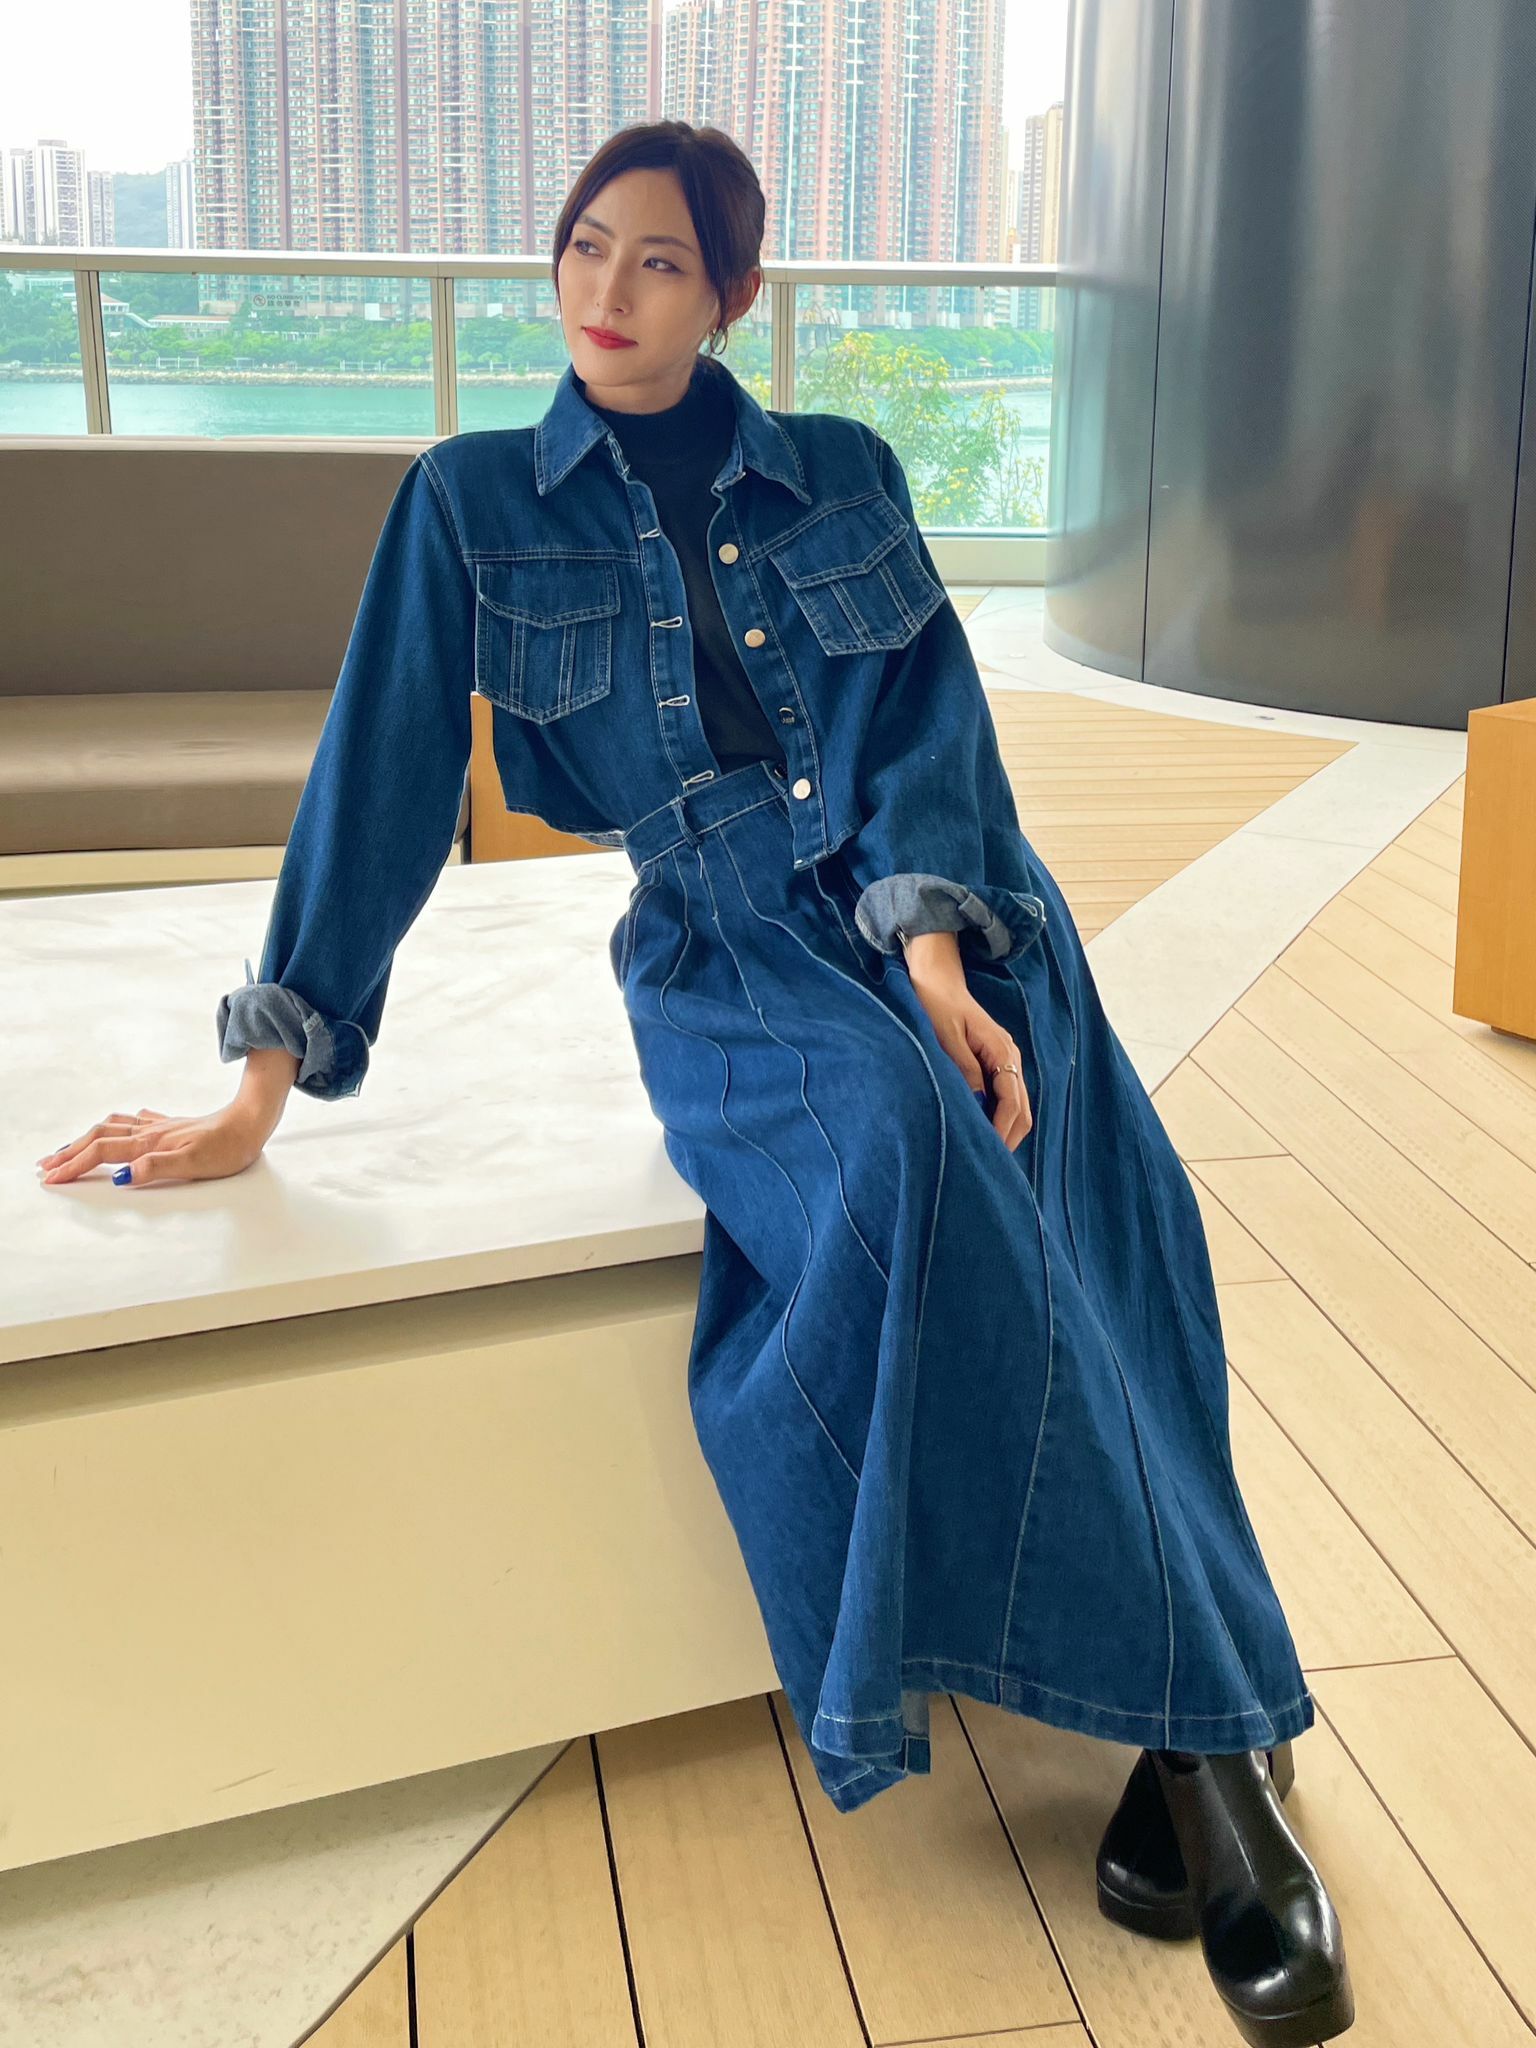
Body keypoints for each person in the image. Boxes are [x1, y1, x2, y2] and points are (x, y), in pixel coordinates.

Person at [37, 121, 1352, 2045]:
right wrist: (265, 1077)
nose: (608, 293)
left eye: (659, 263)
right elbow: (378, 779)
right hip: (725, 941)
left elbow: (930, 730)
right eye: (585, 247)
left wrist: (933, 952)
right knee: (904, 1151)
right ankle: (1223, 1747)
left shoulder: (846, 471)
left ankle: (1192, 1735)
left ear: (732, 294)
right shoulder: (471, 501)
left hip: (946, 903)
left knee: (1094, 1189)